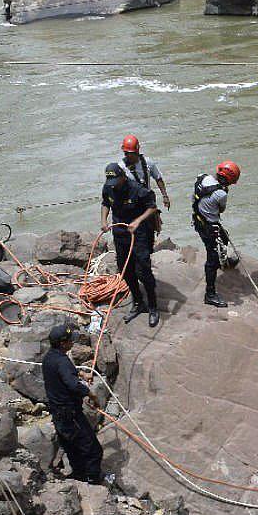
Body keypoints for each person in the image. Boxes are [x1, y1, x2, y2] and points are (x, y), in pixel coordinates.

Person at [42, 323, 113, 487]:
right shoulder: (62, 362)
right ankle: (93, 483)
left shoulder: (50, 358)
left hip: (58, 415)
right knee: (93, 450)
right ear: (62, 343)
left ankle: (79, 478)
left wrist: (80, 372)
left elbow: (64, 372)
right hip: (70, 415)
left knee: (73, 450)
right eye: (69, 341)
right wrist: (91, 394)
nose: (72, 343)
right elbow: (73, 385)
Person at [100, 162, 161, 327]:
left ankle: (153, 306)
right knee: (125, 270)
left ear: (123, 177)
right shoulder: (109, 188)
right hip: (120, 234)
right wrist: (104, 220)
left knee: (143, 270)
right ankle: (138, 302)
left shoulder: (137, 189)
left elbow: (152, 207)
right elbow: (106, 203)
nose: (114, 186)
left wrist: (138, 221)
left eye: (116, 181)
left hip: (139, 233)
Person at [191, 160, 240, 308]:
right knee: (211, 259)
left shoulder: (202, 177)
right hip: (208, 226)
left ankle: (223, 262)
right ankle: (210, 294)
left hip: (199, 218)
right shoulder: (221, 193)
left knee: (223, 238)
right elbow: (221, 210)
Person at [120, 135, 171, 210]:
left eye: (131, 153)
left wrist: (165, 196)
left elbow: (158, 178)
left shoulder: (148, 162)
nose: (129, 156)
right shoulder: (121, 167)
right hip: (132, 203)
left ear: (137, 151)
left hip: (147, 201)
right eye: (126, 153)